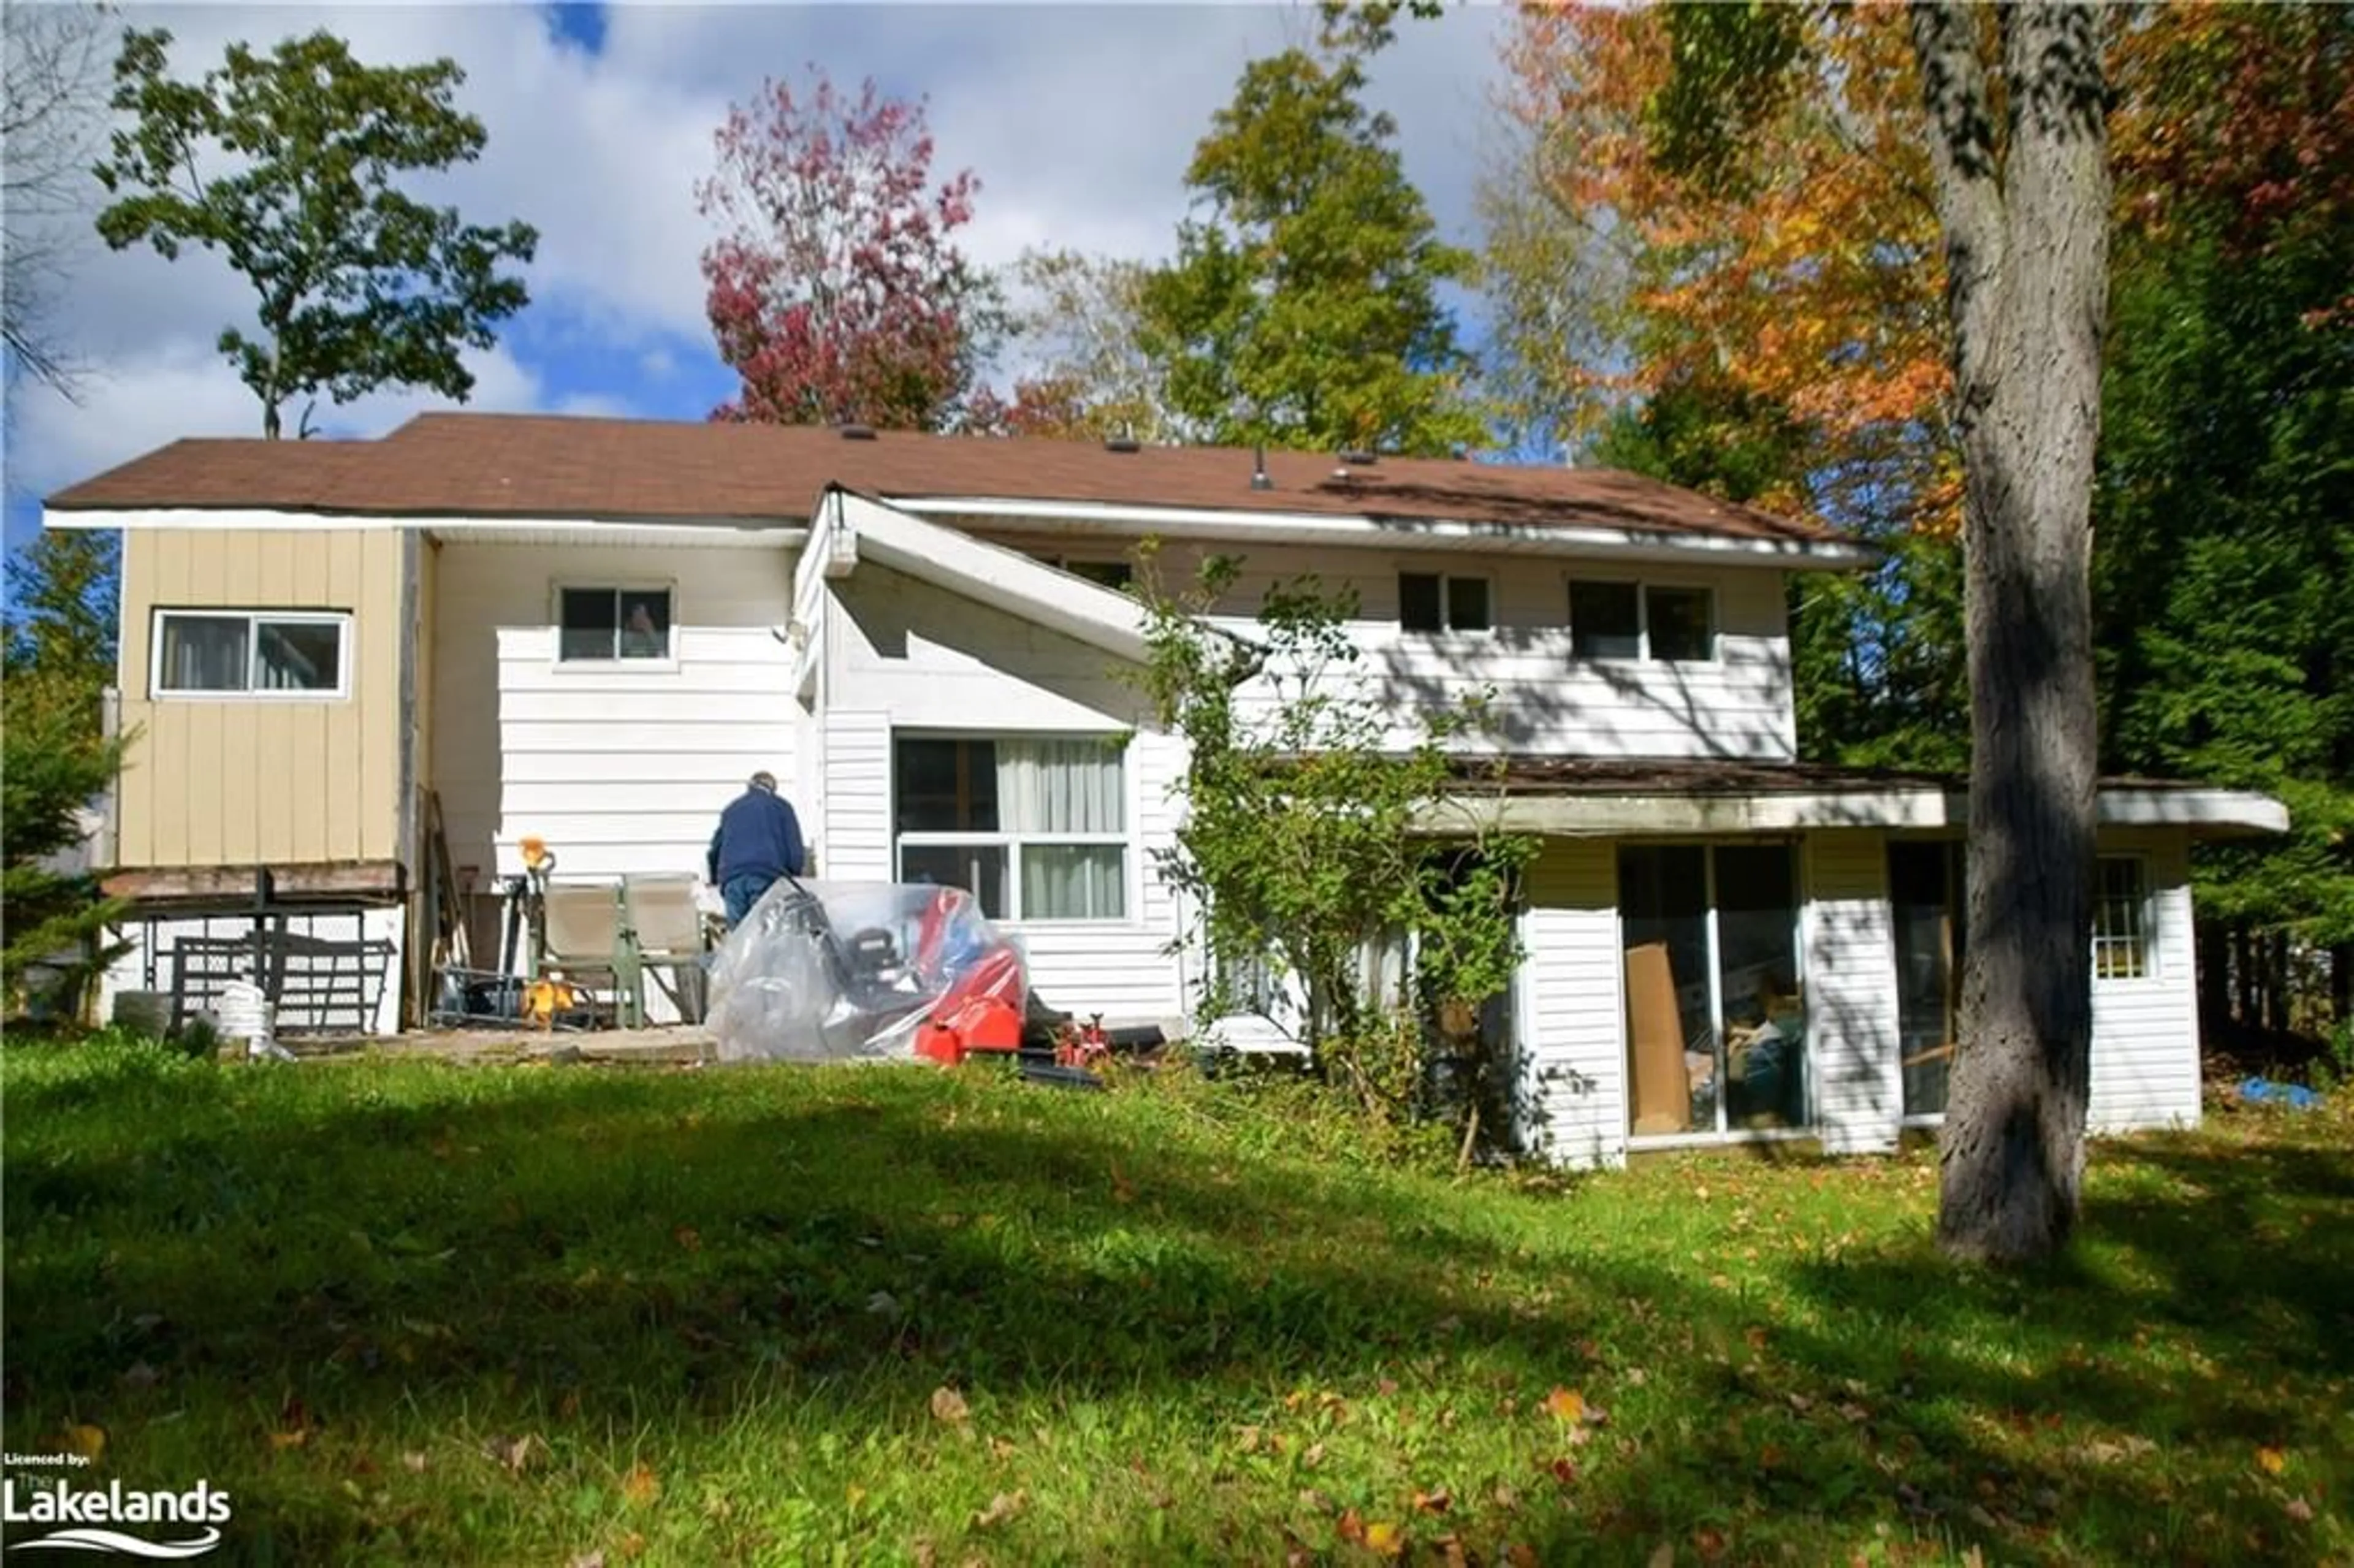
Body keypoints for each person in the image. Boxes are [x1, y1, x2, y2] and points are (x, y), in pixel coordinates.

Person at [707, 771, 807, 926]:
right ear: (772, 788)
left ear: (750, 786)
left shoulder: (731, 809)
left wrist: (715, 879)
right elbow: (794, 849)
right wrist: (794, 875)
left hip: (733, 880)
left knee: (739, 937)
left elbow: (715, 850)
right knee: (764, 935)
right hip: (765, 877)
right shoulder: (781, 807)